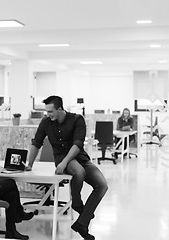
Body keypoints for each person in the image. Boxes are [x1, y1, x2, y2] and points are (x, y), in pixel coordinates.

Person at [26, 95, 108, 240]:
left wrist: (65, 162)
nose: (48, 115)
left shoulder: (77, 120)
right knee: (79, 172)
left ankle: (82, 223)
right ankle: (77, 203)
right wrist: (29, 164)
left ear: (59, 109)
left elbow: (77, 145)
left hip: (79, 157)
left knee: (102, 185)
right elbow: (36, 143)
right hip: (62, 159)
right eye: (46, 112)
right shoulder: (46, 122)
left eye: (50, 111)